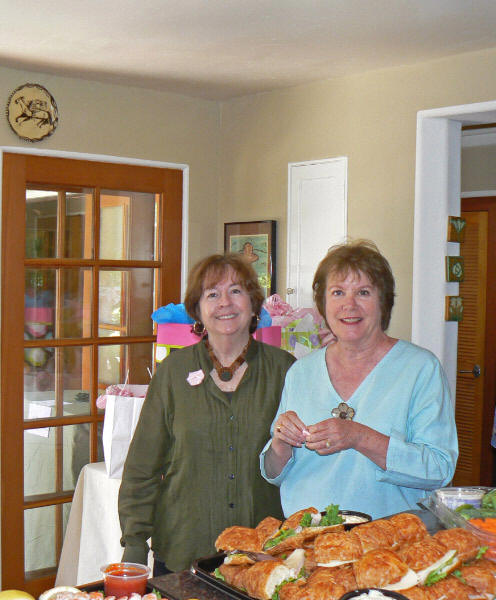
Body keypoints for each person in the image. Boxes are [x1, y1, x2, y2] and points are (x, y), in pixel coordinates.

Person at [118, 253, 295, 574]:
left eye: (236, 291)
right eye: (212, 294)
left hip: (262, 556)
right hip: (183, 551)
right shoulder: (173, 372)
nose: (225, 302)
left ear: (254, 304)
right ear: (197, 309)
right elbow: (142, 466)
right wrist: (134, 545)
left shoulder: (285, 370)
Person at [260, 239, 458, 519]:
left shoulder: (420, 369)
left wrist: (359, 437)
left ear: (383, 302)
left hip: (390, 538)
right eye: (338, 292)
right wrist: (280, 444)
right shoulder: (301, 372)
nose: (349, 305)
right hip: (309, 536)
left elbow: (439, 469)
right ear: (323, 303)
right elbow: (273, 472)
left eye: (363, 292)